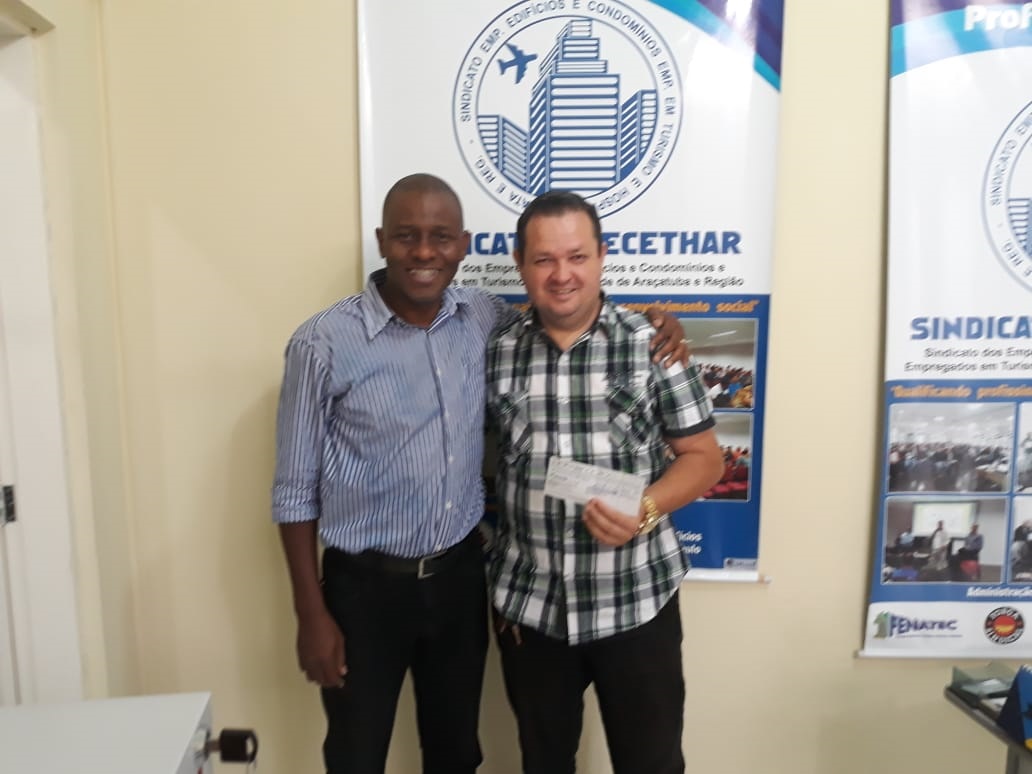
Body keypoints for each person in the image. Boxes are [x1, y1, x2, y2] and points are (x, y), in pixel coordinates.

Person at [271, 173, 690, 774]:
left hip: (459, 581)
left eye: (440, 237)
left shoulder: (482, 317)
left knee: (457, 753)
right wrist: (310, 615)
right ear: (381, 240)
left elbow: (571, 308)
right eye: (406, 236)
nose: (424, 252)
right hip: (363, 590)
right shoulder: (323, 342)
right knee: (355, 755)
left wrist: (656, 321)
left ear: (463, 245)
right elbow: (293, 491)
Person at [484, 190, 725, 774]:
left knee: (652, 763)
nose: (561, 275)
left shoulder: (653, 345)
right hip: (531, 611)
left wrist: (647, 507)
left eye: (577, 257)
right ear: (520, 264)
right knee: (544, 763)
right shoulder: (495, 353)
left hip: (635, 602)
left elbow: (704, 459)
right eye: (544, 259)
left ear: (601, 257)